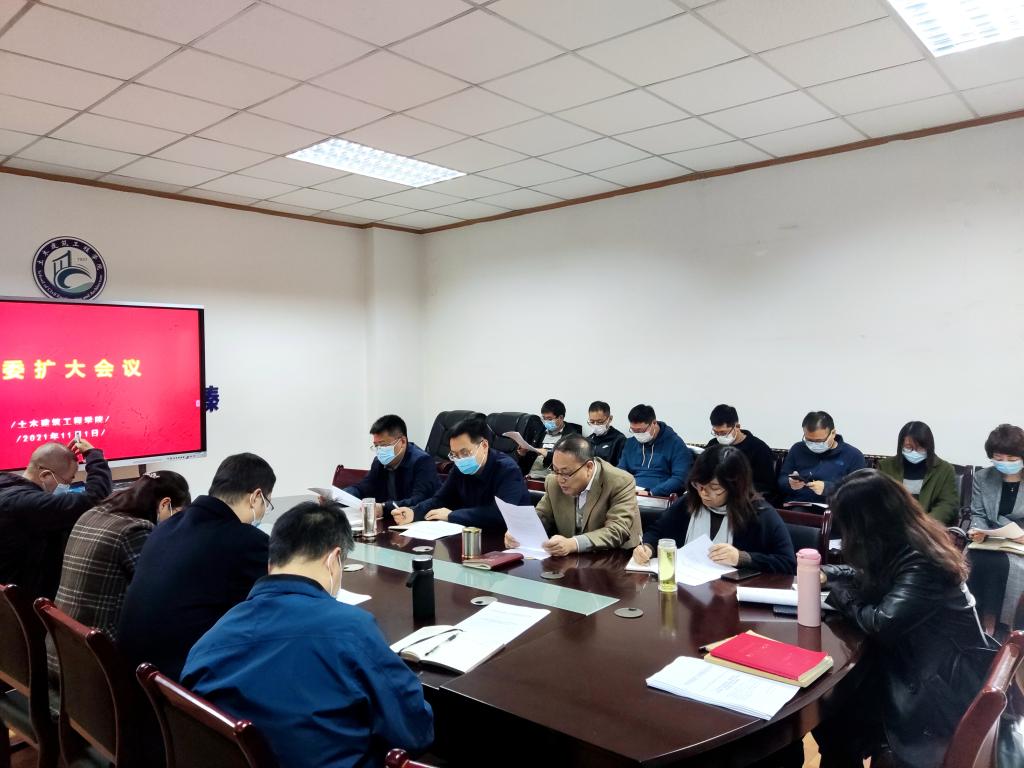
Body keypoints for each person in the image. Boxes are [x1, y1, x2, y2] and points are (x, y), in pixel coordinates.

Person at [182, 501, 433, 768]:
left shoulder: (211, 638)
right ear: (334, 560)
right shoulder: (351, 630)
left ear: (271, 562)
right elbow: (416, 732)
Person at [813, 470, 995, 768]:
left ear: (867, 522)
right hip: (919, 663)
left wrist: (842, 595)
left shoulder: (921, 560)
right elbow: (875, 576)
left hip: (936, 689)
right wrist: (829, 574)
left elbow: (881, 624)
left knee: (836, 713)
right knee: (833, 717)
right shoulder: (905, 538)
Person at [117, 453, 274, 680]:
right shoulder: (248, 542)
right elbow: (275, 608)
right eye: (266, 504)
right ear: (256, 497)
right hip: (179, 682)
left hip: (134, 674)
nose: (262, 512)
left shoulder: (166, 527)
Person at [54, 471, 190, 642]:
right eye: (177, 515)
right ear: (165, 504)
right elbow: (159, 590)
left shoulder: (93, 513)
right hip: (100, 645)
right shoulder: (135, 529)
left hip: (65, 640)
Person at [634, 446, 795, 573]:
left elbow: (788, 563)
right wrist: (647, 547)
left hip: (732, 597)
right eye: (699, 485)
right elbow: (658, 532)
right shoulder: (689, 503)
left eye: (715, 488)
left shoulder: (759, 513)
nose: (704, 494)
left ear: (735, 486)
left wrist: (742, 558)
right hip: (687, 589)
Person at [0, 438, 112, 599]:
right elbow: (95, 498)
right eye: (67, 481)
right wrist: (94, 456)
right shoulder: (28, 503)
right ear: (46, 475)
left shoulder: (7, 490)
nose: (67, 487)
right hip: (23, 604)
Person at [504, 434, 641, 556]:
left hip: (616, 558)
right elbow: (542, 515)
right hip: (572, 559)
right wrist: (521, 530)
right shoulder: (553, 482)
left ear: (589, 467)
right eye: (555, 470)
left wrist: (573, 543)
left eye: (566, 472)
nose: (560, 479)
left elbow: (617, 530)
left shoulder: (620, 481)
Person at [394, 417, 531, 529]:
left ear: (484, 446)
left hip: (508, 538)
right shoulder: (459, 467)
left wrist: (452, 515)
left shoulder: (508, 470)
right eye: (454, 454)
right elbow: (441, 499)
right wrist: (414, 512)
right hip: (471, 533)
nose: (459, 459)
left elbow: (500, 514)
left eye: (465, 453)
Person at [966, 423, 1024, 631]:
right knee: (975, 559)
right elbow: (978, 514)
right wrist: (977, 530)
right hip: (990, 539)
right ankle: (976, 619)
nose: (1005, 463)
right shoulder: (983, 477)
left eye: (1012, 459)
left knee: (1005, 566)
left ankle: (1004, 625)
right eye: (998, 459)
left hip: (1020, 543)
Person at [341, 414, 441, 518]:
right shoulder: (378, 462)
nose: (380, 450)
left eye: (383, 445)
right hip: (390, 520)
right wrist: (340, 496)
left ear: (402, 442)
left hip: (417, 521)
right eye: (376, 446)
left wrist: (384, 508)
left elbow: (419, 500)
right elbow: (363, 488)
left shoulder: (422, 461)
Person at [877, 421, 959, 524]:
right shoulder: (885, 466)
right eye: (908, 447)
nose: (914, 452)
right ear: (901, 445)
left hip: (929, 527)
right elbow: (878, 501)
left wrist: (924, 523)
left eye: (920, 448)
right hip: (893, 526)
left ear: (929, 447)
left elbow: (947, 504)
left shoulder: (945, 470)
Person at [777, 411, 865, 504]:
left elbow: (859, 492)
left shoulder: (853, 455)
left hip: (835, 507)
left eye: (819, 441)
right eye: (809, 440)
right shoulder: (797, 449)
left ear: (833, 433)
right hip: (799, 504)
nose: (814, 444)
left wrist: (828, 488)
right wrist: (790, 483)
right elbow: (781, 480)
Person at [617, 404, 691, 497]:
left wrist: (652, 492)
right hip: (631, 493)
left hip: (659, 496)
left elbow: (680, 478)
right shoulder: (631, 443)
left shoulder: (675, 443)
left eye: (641, 430)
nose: (637, 434)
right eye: (633, 430)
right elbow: (621, 470)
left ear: (654, 423)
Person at [705, 404, 777, 500]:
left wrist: (733, 489)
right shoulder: (713, 445)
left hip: (744, 497)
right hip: (714, 495)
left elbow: (766, 485)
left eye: (723, 433)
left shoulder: (759, 448)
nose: (719, 437)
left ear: (737, 426)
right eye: (716, 432)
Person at [519, 398, 581, 479]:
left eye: (549, 419)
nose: (546, 422)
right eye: (544, 418)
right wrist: (523, 454)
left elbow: (569, 461)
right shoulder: (540, 431)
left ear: (561, 417)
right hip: (533, 475)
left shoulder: (572, 435)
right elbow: (531, 457)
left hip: (556, 477)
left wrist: (547, 454)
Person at [585, 400, 626, 466]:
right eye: (592, 422)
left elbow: (621, 467)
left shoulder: (619, 439)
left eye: (600, 422)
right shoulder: (588, 440)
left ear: (610, 419)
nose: (595, 425)